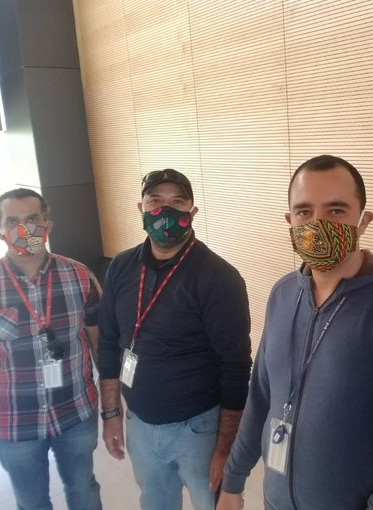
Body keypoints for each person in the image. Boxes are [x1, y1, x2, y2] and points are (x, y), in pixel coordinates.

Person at [218, 155, 373, 510]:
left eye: (336, 211)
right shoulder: (283, 294)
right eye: (304, 212)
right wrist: (232, 482)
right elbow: (261, 396)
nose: (318, 224)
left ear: (363, 221)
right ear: (290, 221)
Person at [98, 168, 252, 510]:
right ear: (141, 208)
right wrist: (111, 413)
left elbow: (236, 367)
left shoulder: (219, 277)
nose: (164, 210)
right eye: (155, 201)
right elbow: (109, 343)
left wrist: (225, 449)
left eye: (177, 202)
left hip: (199, 429)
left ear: (192, 212)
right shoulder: (121, 267)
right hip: (139, 423)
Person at [0, 188, 102, 510]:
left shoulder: (80, 276)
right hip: (14, 421)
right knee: (32, 503)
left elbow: (100, 345)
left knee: (83, 489)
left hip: (76, 412)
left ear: (47, 225)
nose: (24, 228)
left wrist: (114, 407)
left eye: (32, 219)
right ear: (0, 232)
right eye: (13, 221)